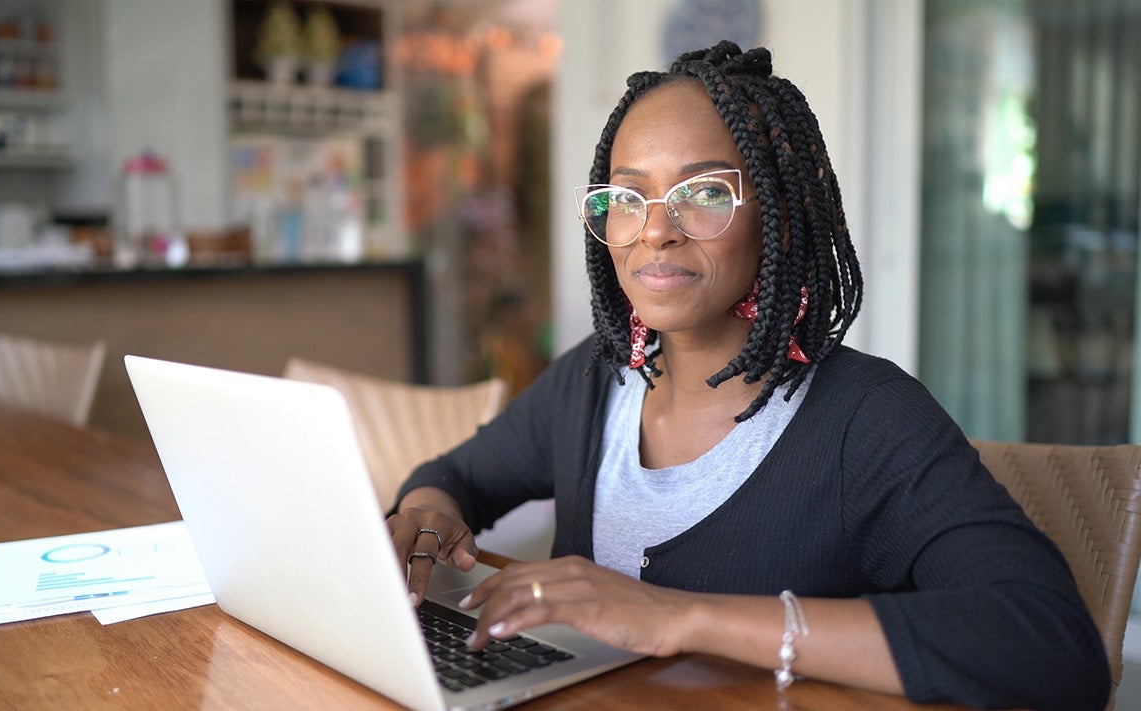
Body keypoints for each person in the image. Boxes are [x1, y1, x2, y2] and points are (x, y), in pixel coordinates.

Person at [386, 40, 1110, 709]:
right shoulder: (596, 379)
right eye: (628, 197)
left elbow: (1051, 644)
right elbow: (457, 475)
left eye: (704, 194)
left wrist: (682, 615)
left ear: (780, 217)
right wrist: (427, 510)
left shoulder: (866, 419)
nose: (656, 228)